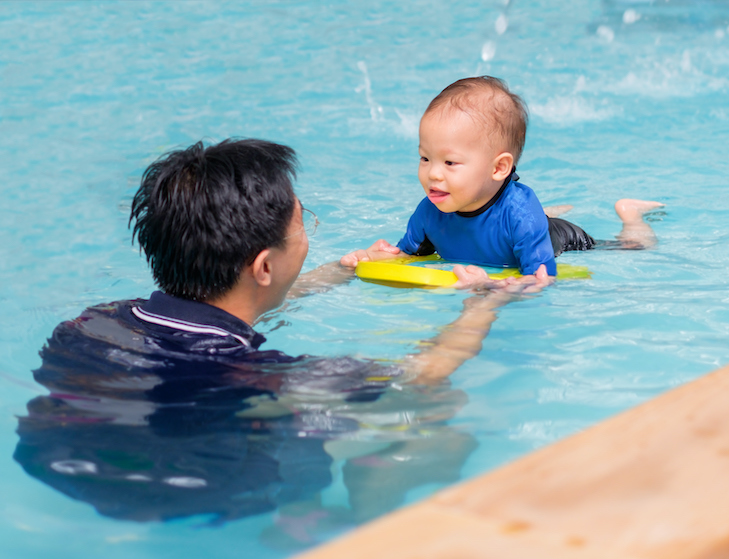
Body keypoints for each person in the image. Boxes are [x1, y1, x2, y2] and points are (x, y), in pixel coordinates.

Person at [15, 138, 536, 529]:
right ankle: (335, 513)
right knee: (440, 412)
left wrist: (343, 269)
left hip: (60, 465)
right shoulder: (273, 379)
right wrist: (480, 306)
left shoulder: (92, 322)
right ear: (264, 266)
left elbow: (223, 313)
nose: (307, 234)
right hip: (204, 498)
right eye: (303, 223)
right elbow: (425, 373)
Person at [340, 76, 664, 288]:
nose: (433, 174)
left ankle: (630, 214)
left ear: (499, 168)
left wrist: (495, 285)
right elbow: (409, 255)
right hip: (511, 222)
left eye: (450, 162)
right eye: (425, 158)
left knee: (633, 250)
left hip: (561, 239)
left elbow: (541, 279)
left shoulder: (521, 216)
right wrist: (370, 255)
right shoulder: (430, 210)